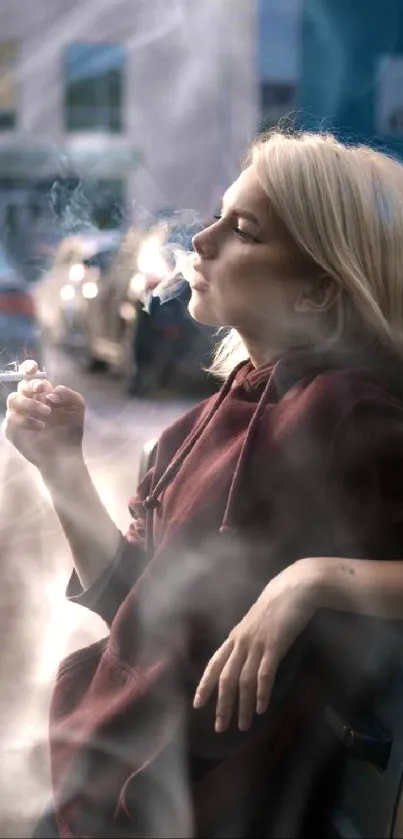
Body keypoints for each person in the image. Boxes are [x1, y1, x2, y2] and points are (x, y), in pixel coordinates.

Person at [6, 128, 403, 837]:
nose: (202, 239)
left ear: (318, 289)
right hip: (108, 789)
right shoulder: (192, 426)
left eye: (243, 229)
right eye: (216, 214)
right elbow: (133, 605)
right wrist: (60, 464)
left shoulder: (351, 412)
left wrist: (309, 580)